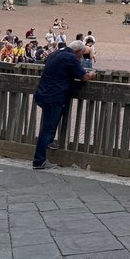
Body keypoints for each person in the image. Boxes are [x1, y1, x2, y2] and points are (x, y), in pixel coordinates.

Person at [32, 41, 92, 169]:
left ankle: (49, 142)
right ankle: (39, 160)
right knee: (47, 128)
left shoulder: (56, 53)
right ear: (77, 52)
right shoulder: (71, 57)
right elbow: (84, 77)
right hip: (54, 96)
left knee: (50, 125)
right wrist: (92, 74)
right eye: (81, 55)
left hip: (44, 93)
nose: (81, 57)